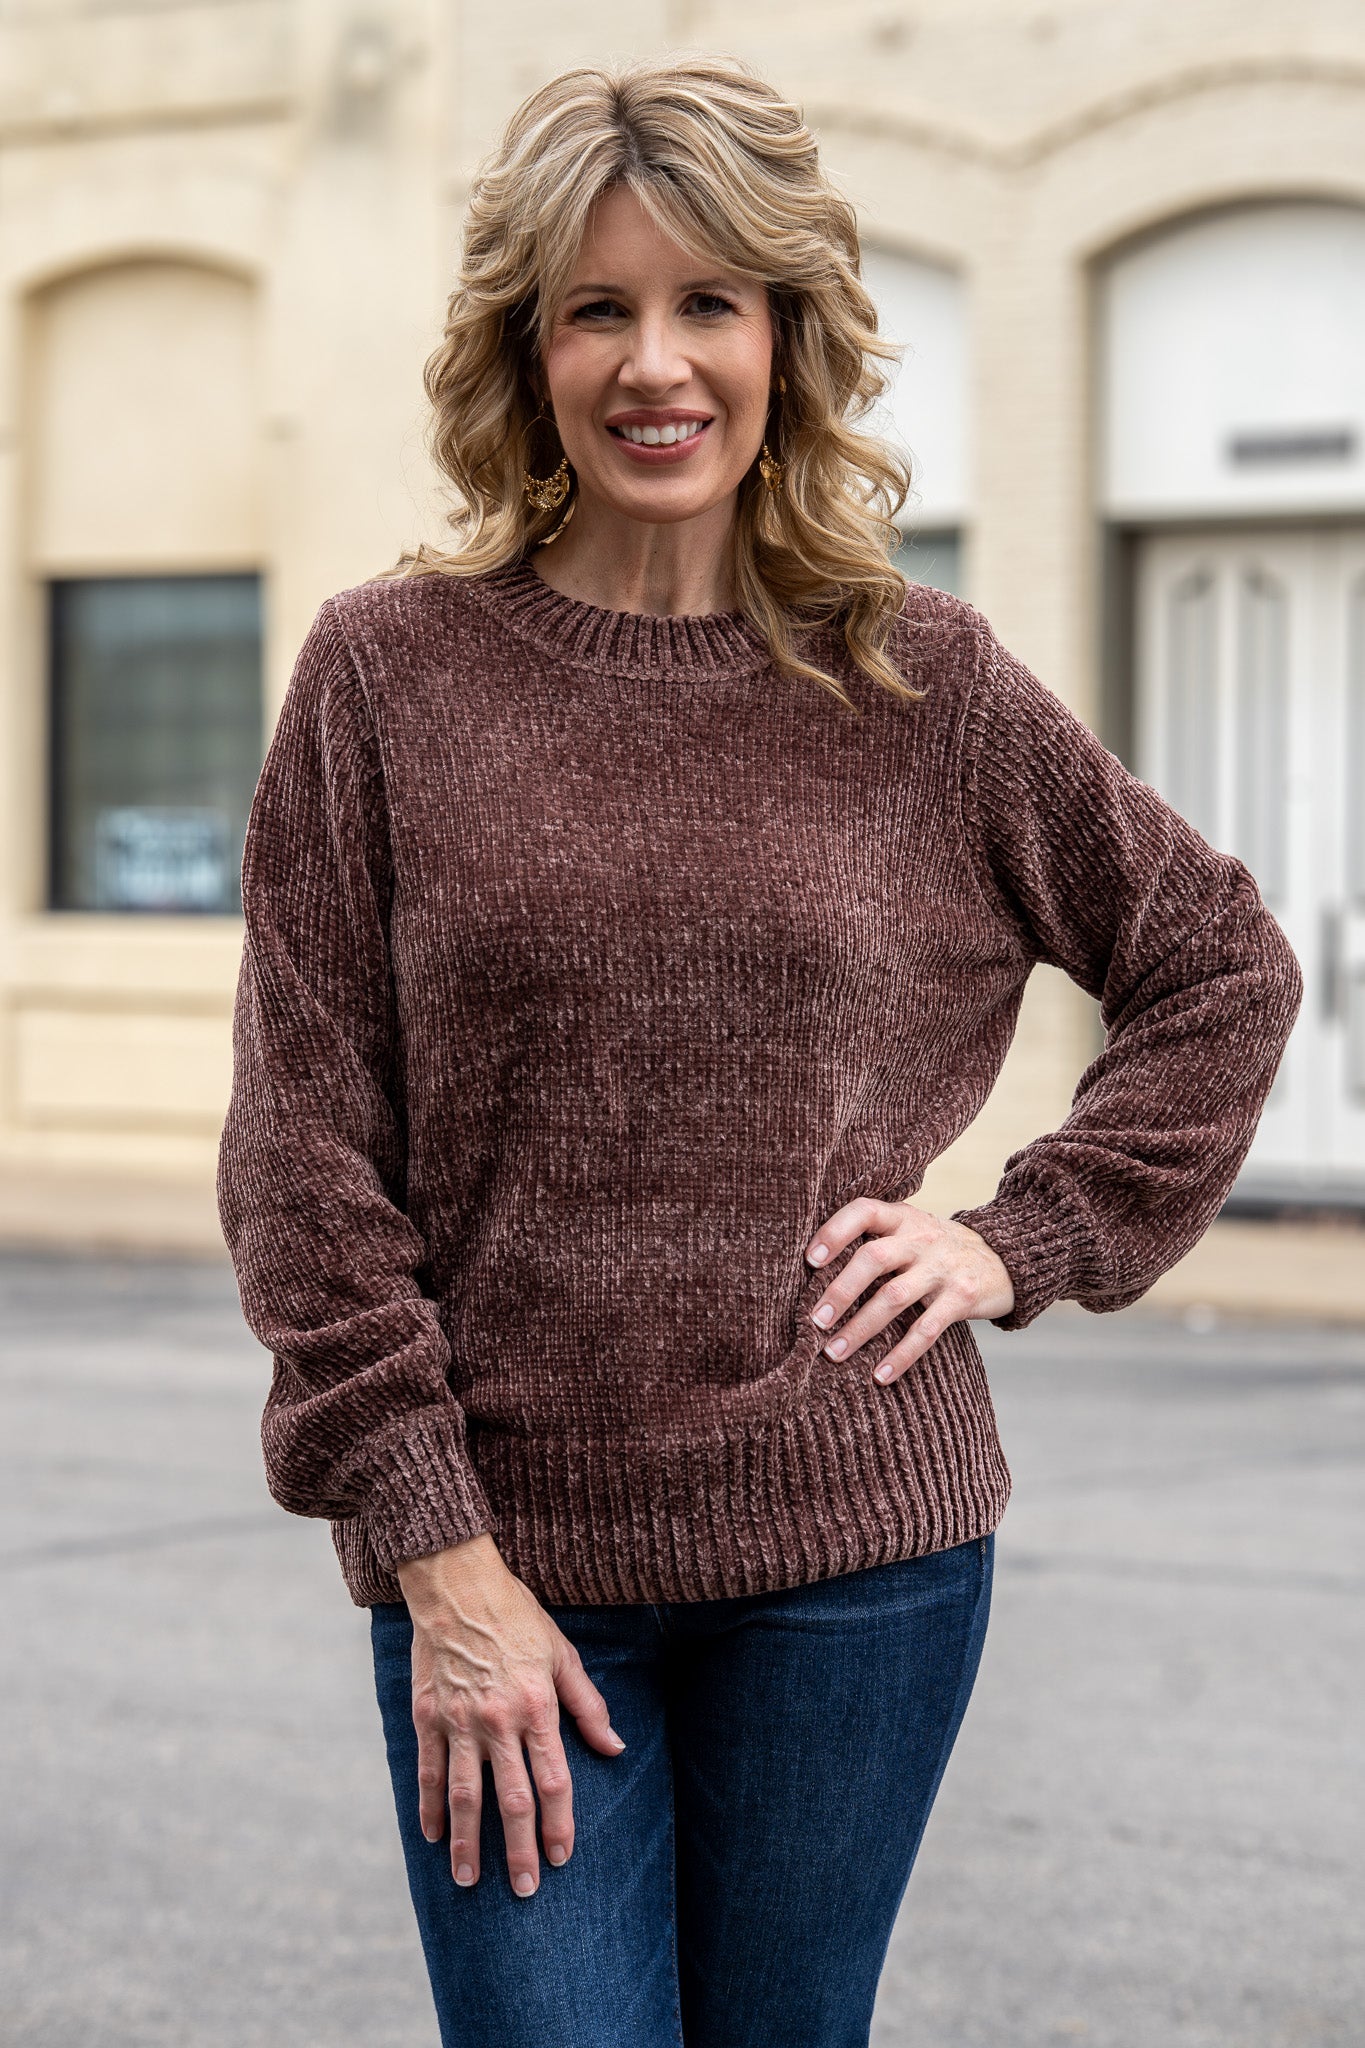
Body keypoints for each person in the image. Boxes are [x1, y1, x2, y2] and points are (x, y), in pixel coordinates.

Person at [216, 53, 1303, 2048]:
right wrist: (434, 1554)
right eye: (594, 307)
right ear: (520, 349)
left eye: (708, 301)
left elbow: (1217, 968)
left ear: (784, 338)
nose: (656, 363)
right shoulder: (386, 678)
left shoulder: (919, 681)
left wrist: (1014, 1236)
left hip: (853, 1564)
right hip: (500, 1567)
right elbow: (304, 1157)